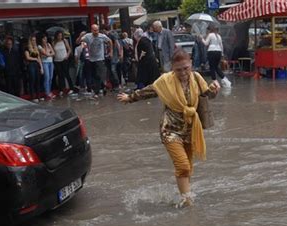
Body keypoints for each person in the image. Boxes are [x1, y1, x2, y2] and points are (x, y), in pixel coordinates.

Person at [117, 49, 221, 208]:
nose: (183, 72)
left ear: (191, 64)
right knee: (183, 166)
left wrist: (214, 89)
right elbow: (149, 90)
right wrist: (129, 97)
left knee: (188, 168)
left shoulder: (197, 78)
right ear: (172, 68)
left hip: (190, 129)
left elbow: (208, 95)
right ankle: (187, 202)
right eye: (178, 69)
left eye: (186, 68)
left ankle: (185, 197)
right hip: (170, 130)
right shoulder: (165, 81)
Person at [76, 24, 111, 99]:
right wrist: (80, 36)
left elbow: (109, 41)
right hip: (91, 58)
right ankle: (101, 87)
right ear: (92, 30)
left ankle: (97, 91)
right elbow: (77, 42)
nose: (96, 32)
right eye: (94, 30)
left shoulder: (102, 36)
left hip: (100, 58)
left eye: (97, 30)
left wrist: (110, 51)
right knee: (94, 75)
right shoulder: (88, 36)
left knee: (99, 75)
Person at [53, 30, 74, 96]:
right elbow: (53, 50)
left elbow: (69, 49)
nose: (60, 37)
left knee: (66, 73)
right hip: (57, 60)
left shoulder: (64, 41)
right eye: (58, 36)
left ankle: (71, 88)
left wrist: (67, 56)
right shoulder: (54, 42)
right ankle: (61, 89)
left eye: (61, 36)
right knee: (60, 75)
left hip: (64, 59)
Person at [24, 34, 44, 102]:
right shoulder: (27, 48)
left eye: (35, 40)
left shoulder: (36, 48)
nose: (34, 41)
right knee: (32, 80)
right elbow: (27, 57)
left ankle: (38, 96)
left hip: (37, 65)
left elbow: (39, 58)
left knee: (37, 80)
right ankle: (33, 96)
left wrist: (41, 67)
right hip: (31, 65)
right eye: (32, 40)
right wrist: (35, 59)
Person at [38, 34, 56, 100]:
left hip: (50, 62)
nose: (45, 40)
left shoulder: (49, 44)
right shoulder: (39, 46)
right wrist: (46, 47)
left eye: (46, 39)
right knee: (47, 77)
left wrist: (49, 54)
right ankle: (47, 93)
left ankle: (49, 91)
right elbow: (45, 53)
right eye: (44, 39)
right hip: (44, 62)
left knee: (51, 77)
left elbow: (53, 53)